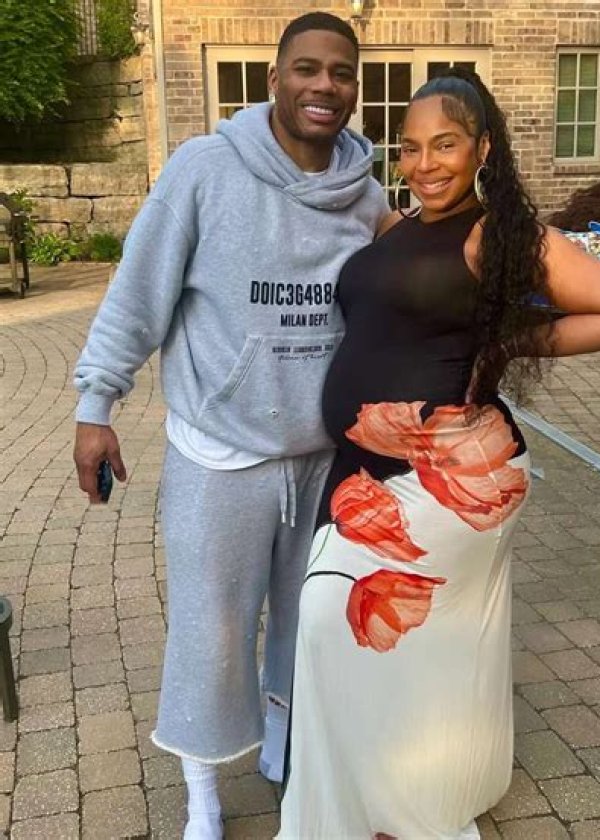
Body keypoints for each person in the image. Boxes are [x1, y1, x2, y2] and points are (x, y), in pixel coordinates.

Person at [277, 68, 600, 839]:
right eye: (410, 147)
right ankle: (413, 780)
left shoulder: (499, 233)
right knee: (425, 641)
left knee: (327, 616)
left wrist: (511, 343)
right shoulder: (396, 228)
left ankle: (381, 809)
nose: (425, 164)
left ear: (483, 148)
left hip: (448, 475)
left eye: (445, 144)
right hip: (368, 470)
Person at [72, 12, 387, 840]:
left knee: (310, 629)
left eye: (341, 72)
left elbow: (404, 301)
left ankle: (288, 761)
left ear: (355, 88)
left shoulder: (367, 197)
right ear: (275, 78)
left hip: (324, 460)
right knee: (211, 638)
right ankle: (203, 795)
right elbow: (138, 292)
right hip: (220, 455)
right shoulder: (204, 169)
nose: (324, 85)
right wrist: (95, 405)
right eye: (307, 68)